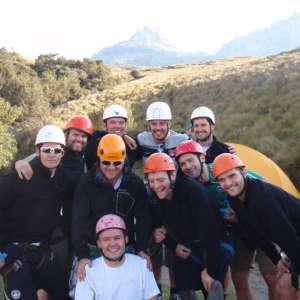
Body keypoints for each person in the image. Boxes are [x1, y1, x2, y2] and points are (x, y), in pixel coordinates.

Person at [175, 140, 280, 300]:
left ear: (202, 158)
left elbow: (264, 182)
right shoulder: (190, 186)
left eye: (191, 160)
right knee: (239, 279)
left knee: (270, 276)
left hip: (262, 225)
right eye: (183, 164)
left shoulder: (219, 168)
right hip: (239, 233)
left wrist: (245, 209)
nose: (188, 166)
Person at [144, 152, 235, 300]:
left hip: (218, 239)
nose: (156, 186)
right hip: (190, 244)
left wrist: (211, 270)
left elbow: (209, 232)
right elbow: (158, 229)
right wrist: (173, 246)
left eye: (160, 180)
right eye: (152, 181)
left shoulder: (192, 192)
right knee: (184, 291)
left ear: (173, 176)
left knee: (213, 286)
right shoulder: (154, 197)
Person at [71, 134, 152, 296]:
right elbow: (78, 219)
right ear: (99, 158)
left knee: (128, 289)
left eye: (117, 163)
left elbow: (143, 218)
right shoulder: (86, 182)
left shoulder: (134, 184)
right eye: (106, 162)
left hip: (125, 245)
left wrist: (142, 248)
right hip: (92, 245)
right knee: (81, 285)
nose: (111, 167)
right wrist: (82, 255)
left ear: (124, 160)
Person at [212, 153, 300, 300]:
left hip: (295, 242)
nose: (228, 183)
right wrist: (276, 257)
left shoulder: (264, 198)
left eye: (232, 176)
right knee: (283, 289)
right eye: (222, 180)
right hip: (295, 243)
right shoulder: (235, 200)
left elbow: (287, 237)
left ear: (244, 173)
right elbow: (254, 232)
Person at [0, 125, 72, 300]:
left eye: (57, 150)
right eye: (46, 149)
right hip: (11, 248)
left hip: (41, 250)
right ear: (37, 151)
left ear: (63, 153)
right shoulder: (21, 175)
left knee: (64, 293)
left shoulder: (63, 182)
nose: (52, 154)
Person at [136, 101, 189, 300]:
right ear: (148, 124)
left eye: (162, 123)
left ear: (169, 124)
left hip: (173, 200)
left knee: (173, 249)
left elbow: (201, 153)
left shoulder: (182, 139)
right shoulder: (142, 139)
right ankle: (156, 289)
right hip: (150, 200)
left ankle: (174, 291)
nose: (158, 128)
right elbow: (125, 147)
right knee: (154, 248)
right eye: (154, 123)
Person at [75, 214, 159, 300]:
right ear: (99, 244)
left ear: (126, 239)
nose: (112, 243)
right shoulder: (88, 271)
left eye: (117, 238)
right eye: (106, 239)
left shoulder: (141, 264)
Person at [85, 104, 137, 170]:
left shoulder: (131, 147)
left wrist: (123, 136)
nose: (117, 126)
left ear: (125, 126)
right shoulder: (93, 144)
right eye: (113, 122)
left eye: (121, 123)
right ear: (104, 126)